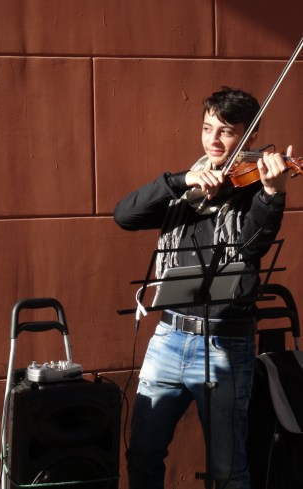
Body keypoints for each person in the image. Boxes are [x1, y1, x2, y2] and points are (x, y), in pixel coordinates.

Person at [114, 86, 293, 489]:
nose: (213, 140)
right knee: (142, 455)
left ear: (247, 136)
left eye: (226, 131)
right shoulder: (186, 189)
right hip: (169, 336)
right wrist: (178, 180)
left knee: (228, 472)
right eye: (207, 127)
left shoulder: (254, 188)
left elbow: (251, 247)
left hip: (225, 344)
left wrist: (272, 195)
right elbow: (123, 215)